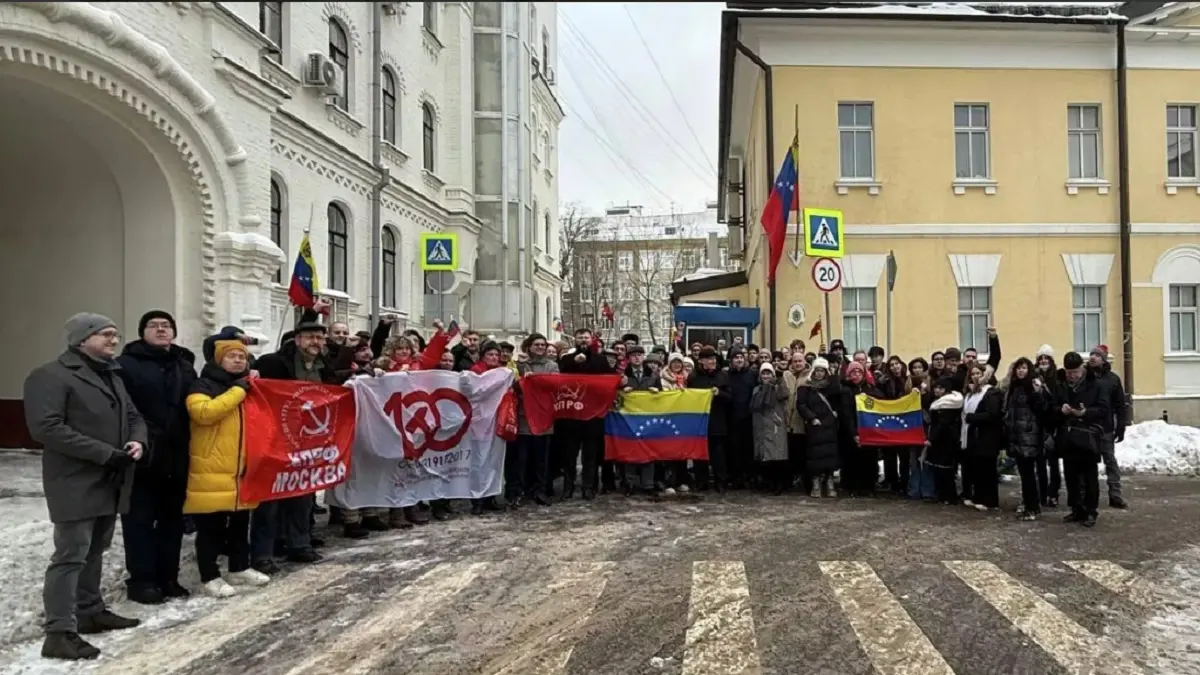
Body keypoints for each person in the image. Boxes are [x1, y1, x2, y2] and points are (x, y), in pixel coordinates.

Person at [24, 313, 147, 660]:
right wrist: (106, 454)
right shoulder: (49, 376)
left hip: (111, 478)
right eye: (106, 334)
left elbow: (134, 416)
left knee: (95, 549)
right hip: (75, 480)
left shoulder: (112, 375)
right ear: (82, 338)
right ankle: (59, 632)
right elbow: (47, 428)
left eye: (115, 334)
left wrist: (138, 442)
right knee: (70, 555)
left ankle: (90, 611)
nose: (113, 340)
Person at [114, 310, 197, 604]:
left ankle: (168, 577)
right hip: (143, 455)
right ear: (142, 332)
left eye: (166, 325)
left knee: (172, 519)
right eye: (153, 325)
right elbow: (123, 408)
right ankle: (142, 581)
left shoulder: (184, 364)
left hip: (177, 454)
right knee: (139, 520)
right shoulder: (125, 365)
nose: (161, 330)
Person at [184, 339, 272, 597]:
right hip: (212, 466)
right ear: (218, 360)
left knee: (239, 523)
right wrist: (237, 391)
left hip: (243, 467)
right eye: (231, 356)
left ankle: (239, 566)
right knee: (210, 526)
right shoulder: (203, 384)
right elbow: (203, 413)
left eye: (242, 357)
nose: (237, 360)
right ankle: (209, 576)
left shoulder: (250, 386)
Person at [250, 320, 337, 571]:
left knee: (303, 494)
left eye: (320, 338)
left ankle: (300, 544)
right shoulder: (273, 362)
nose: (316, 343)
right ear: (297, 339)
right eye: (310, 337)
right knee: (271, 497)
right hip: (275, 438)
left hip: (309, 440)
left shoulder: (325, 366)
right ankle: (263, 552)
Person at [1057, 351, 1112, 527]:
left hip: (1088, 436)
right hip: (1069, 434)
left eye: (1075, 372)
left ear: (1082, 369)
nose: (1072, 376)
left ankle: (1090, 511)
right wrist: (1061, 409)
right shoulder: (1062, 384)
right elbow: (1053, 404)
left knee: (1089, 476)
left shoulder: (1096, 384)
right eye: (1069, 373)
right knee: (1071, 475)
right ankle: (1076, 509)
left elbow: (1104, 409)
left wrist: (1085, 412)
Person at [1001, 358, 1051, 521]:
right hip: (1017, 437)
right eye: (1018, 368)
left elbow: (1042, 409)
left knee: (1029, 474)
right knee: (1024, 474)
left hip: (1029, 436)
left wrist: (1037, 393)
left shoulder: (1033, 387)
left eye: (1023, 368)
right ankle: (1029, 504)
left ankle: (1033, 507)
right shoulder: (1014, 388)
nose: (1020, 371)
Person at [512, 333, 558, 507]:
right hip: (524, 417)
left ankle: (540, 491)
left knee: (541, 458)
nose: (540, 347)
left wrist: (535, 381)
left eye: (543, 345)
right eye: (537, 344)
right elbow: (514, 387)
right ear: (528, 346)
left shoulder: (552, 366)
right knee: (522, 459)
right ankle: (520, 491)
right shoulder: (519, 364)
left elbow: (554, 386)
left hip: (544, 417)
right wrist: (523, 373)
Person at [961, 362, 1006, 512]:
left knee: (987, 470)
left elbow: (992, 415)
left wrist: (971, 418)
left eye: (977, 374)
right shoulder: (970, 393)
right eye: (972, 374)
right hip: (973, 436)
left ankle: (990, 500)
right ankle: (978, 496)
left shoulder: (991, 392)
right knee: (977, 469)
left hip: (987, 437)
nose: (975, 377)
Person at [796, 357, 840, 497]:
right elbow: (801, 405)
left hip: (829, 425)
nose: (819, 373)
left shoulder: (831, 387)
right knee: (814, 456)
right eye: (817, 370)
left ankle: (829, 481)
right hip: (815, 425)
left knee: (830, 455)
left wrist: (835, 412)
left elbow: (838, 398)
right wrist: (811, 417)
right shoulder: (805, 387)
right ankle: (815, 482)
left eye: (822, 371)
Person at [925, 378, 964, 504]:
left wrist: (932, 438)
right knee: (940, 468)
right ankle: (943, 495)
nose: (937, 390)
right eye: (935, 387)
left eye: (940, 388)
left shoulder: (948, 404)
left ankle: (949, 496)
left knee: (945, 469)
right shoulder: (940, 402)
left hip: (946, 440)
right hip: (943, 440)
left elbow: (942, 424)